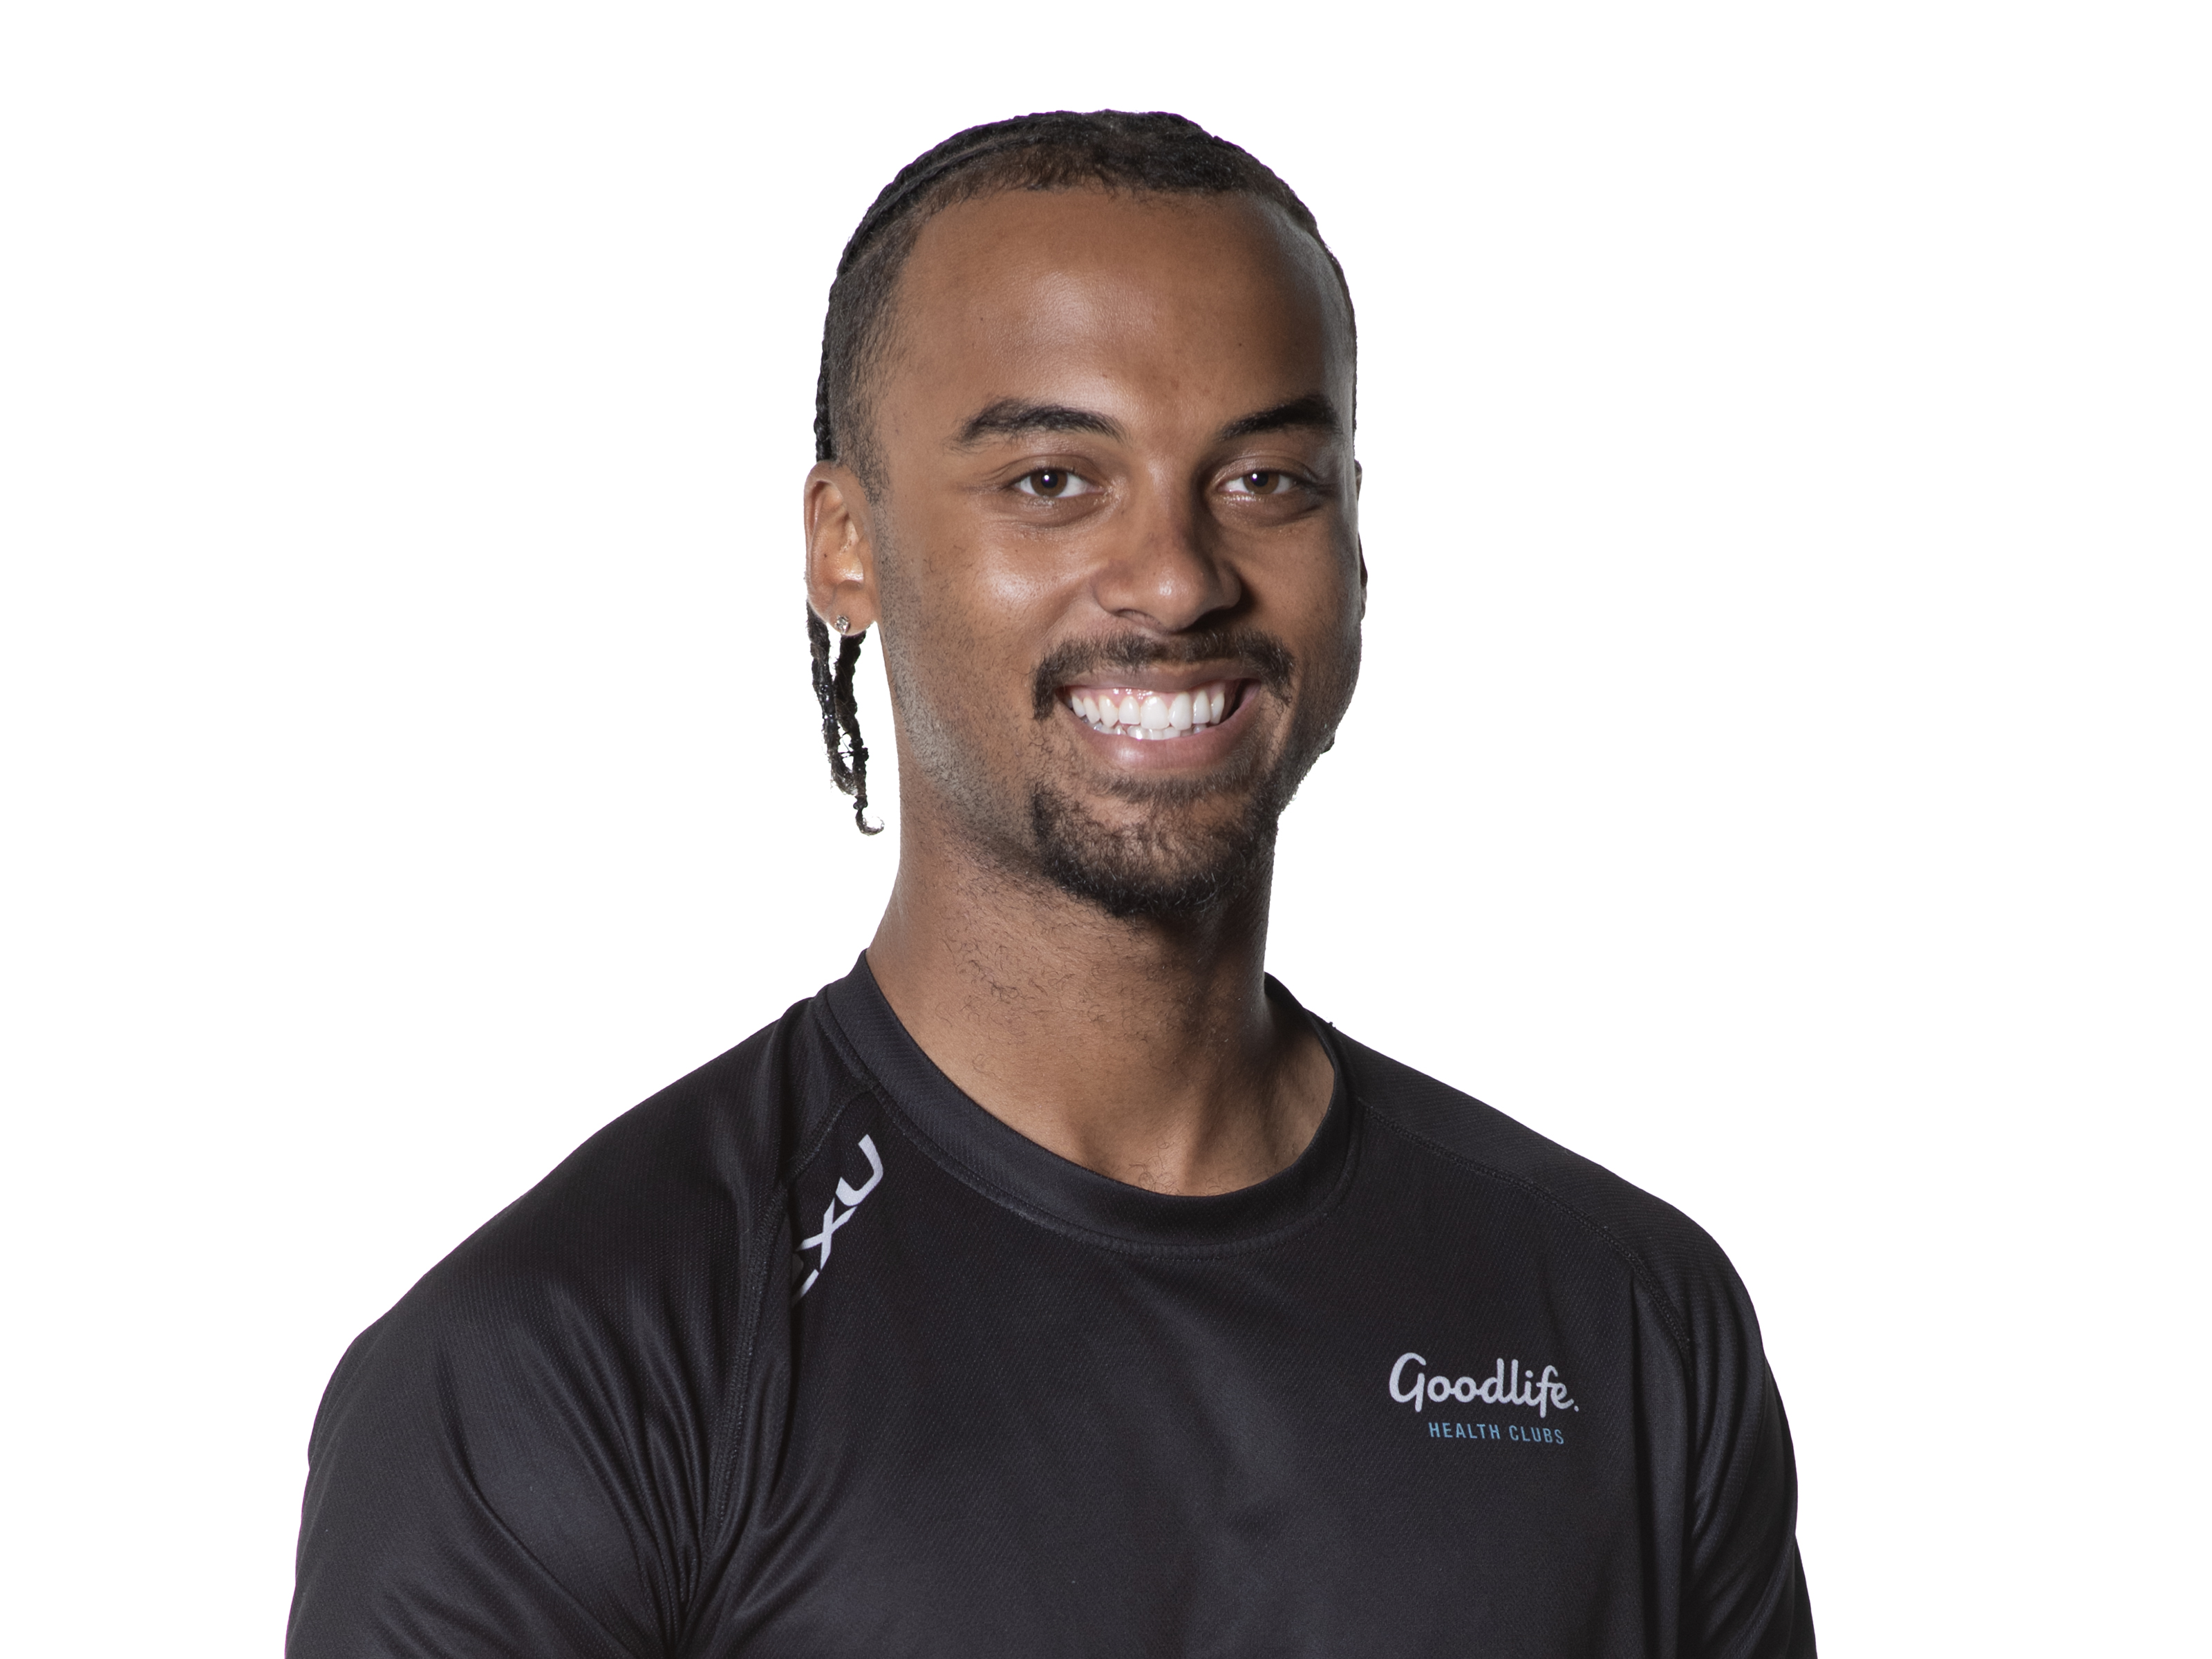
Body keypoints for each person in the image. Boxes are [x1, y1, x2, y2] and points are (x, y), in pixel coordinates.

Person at [288, 110, 1814, 1658]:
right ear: (845, 544)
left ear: (1356, 540)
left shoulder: (1627, 1315)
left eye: (1265, 479)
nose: (1175, 577)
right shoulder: (556, 1373)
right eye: (1051, 479)